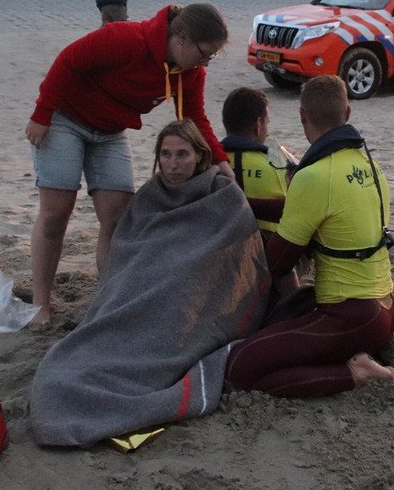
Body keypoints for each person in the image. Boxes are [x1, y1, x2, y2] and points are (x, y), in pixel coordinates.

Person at [30, 120, 271, 447]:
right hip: (140, 294)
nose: (173, 164)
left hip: (190, 301)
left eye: (182, 155)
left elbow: (238, 260)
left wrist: (186, 272)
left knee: (175, 314)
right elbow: (129, 252)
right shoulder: (149, 196)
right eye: (166, 155)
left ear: (200, 156)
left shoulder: (225, 196)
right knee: (63, 374)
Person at [24, 3, 235, 324]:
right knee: (56, 213)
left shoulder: (190, 73)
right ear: (181, 37)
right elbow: (68, 61)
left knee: (117, 215)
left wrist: (221, 163)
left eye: (212, 57)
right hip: (64, 120)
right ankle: (41, 304)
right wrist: (42, 113)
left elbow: (194, 118)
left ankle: (110, 299)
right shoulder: (127, 39)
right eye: (205, 53)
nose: (206, 62)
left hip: (109, 131)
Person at [225, 75, 394, 397]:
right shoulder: (372, 166)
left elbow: (276, 264)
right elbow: (315, 209)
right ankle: (365, 353)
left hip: (351, 316)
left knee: (240, 367)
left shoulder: (313, 177)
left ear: (302, 116)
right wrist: (247, 204)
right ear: (347, 113)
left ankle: (355, 372)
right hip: (386, 307)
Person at [220, 87, 289, 236]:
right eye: (267, 123)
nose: (267, 131)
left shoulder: (210, 162)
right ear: (258, 125)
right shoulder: (275, 165)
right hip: (263, 250)